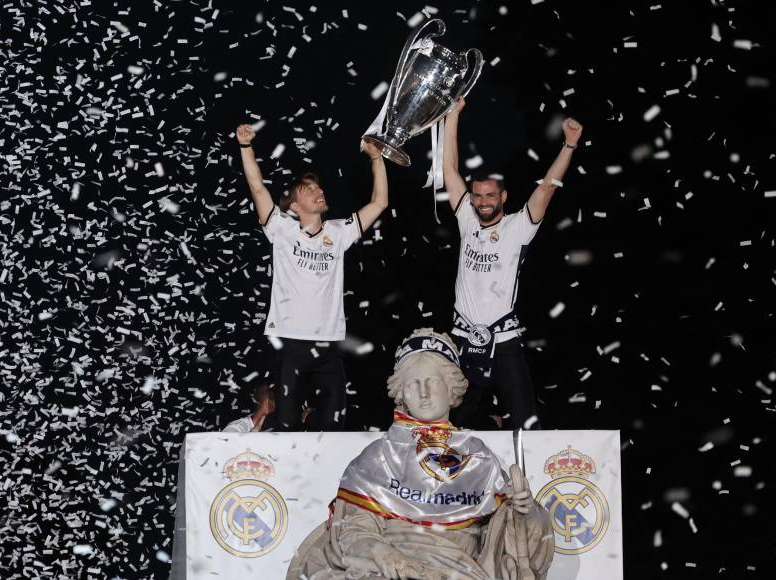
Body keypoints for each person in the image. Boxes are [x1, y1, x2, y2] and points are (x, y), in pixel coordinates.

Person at [287, 328, 554, 580]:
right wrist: (385, 555)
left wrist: (526, 513)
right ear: (401, 392)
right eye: (414, 384)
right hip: (393, 571)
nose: (424, 393)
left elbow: (511, 544)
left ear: (452, 390)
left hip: (459, 571)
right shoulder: (379, 456)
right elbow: (354, 531)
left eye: (432, 382)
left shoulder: (478, 456)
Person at [442, 97, 583, 430]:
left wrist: (570, 145)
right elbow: (449, 169)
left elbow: (547, 188)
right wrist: (453, 116)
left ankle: (528, 477)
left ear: (503, 197)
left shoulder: (518, 227)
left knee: (524, 421)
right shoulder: (466, 219)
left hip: (504, 341)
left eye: (490, 195)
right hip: (462, 338)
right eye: (477, 195)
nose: (482, 202)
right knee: (453, 424)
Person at [236, 124, 389, 431]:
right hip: (290, 344)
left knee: (335, 426)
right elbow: (257, 188)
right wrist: (245, 147)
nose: (320, 192)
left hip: (329, 345)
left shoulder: (339, 232)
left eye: (319, 189)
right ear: (294, 205)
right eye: (310, 190)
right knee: (287, 425)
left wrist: (376, 159)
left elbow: (379, 202)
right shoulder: (282, 229)